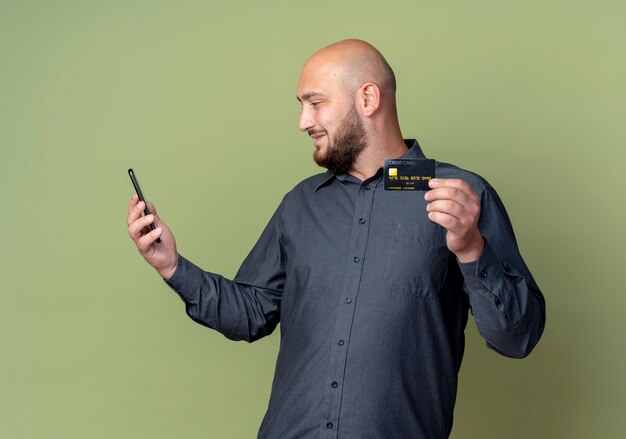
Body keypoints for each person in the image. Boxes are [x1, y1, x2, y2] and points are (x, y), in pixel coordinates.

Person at [126, 39, 546, 438]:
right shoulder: (300, 205)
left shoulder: (458, 196)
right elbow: (251, 312)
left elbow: (516, 338)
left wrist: (473, 250)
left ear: (367, 99)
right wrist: (171, 266)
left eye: (315, 103)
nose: (303, 121)